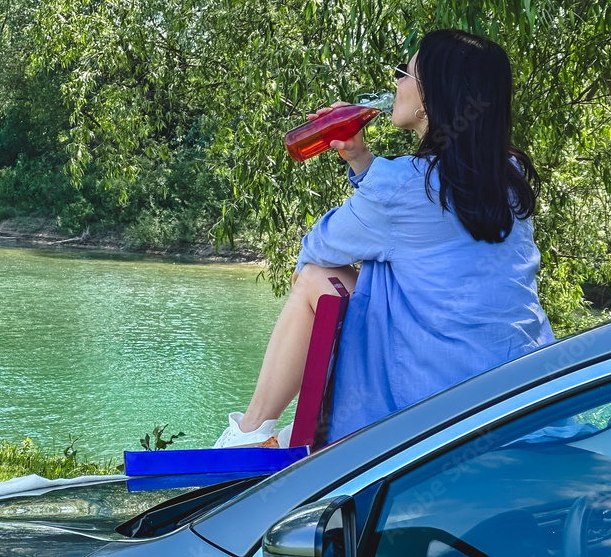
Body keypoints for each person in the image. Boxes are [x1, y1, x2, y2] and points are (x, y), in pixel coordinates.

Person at [213, 29, 555, 448]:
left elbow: (316, 249)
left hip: (427, 403)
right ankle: (264, 433)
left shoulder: (404, 187)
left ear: (432, 97)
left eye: (404, 73)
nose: (394, 83)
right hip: (518, 395)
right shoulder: (507, 175)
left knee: (313, 278)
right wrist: (362, 161)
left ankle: (246, 434)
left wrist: (375, 192)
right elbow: (428, 227)